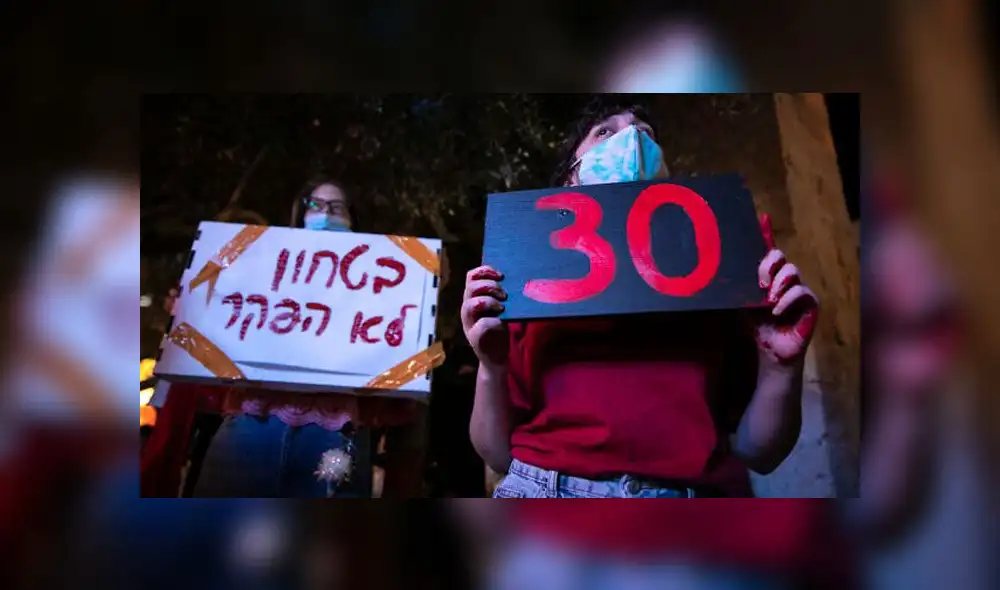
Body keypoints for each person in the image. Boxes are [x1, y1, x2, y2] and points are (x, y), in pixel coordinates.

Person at [466, 99, 819, 499]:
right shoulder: (528, 287)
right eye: (604, 132)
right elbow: (496, 454)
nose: (632, 139)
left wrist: (781, 366)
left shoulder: (718, 283)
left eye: (646, 134)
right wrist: (490, 367)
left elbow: (761, 452)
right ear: (570, 179)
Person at [144, 177, 426, 498]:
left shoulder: (377, 285)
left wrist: (416, 298)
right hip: (251, 425)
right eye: (315, 205)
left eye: (337, 207)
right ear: (299, 215)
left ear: (353, 218)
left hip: (335, 436)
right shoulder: (260, 272)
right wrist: (193, 311)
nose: (325, 213)